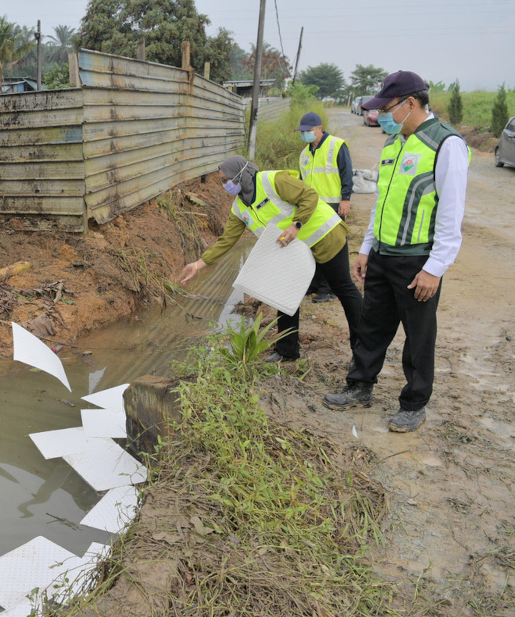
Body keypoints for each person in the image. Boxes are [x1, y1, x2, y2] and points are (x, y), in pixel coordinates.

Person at [323, 71, 469, 432]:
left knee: (418, 336)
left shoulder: (445, 144)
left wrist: (435, 268)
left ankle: (414, 403)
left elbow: (452, 214)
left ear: (410, 104)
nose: (382, 116)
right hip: (383, 255)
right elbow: (381, 204)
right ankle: (360, 386)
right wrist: (366, 249)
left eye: (386, 108)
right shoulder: (392, 143)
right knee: (372, 326)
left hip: (417, 259)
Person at [180, 155, 363, 362]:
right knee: (284, 294)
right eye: (222, 181)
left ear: (242, 175)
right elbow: (226, 241)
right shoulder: (239, 207)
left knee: (342, 288)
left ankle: (362, 348)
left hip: (324, 235)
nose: (225, 185)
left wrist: (296, 224)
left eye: (226, 179)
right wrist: (198, 264)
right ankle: (287, 351)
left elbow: (309, 196)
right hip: (295, 250)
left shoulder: (272, 181)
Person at [297, 111, 355, 303]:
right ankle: (315, 284)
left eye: (309, 130)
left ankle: (329, 288)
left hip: (333, 205)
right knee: (313, 246)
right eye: (302, 131)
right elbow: (302, 181)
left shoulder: (336, 145)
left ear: (319, 128)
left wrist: (345, 198)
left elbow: (346, 173)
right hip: (313, 208)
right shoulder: (304, 153)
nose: (305, 134)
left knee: (333, 248)